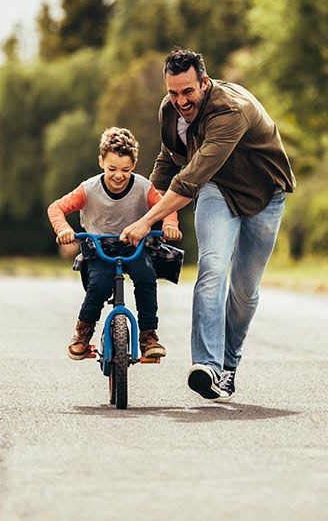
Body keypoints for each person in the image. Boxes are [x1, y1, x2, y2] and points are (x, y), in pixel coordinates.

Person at [120, 47, 296, 402]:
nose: (181, 100)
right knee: (212, 268)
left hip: (265, 194)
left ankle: (228, 367)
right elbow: (169, 159)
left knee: (245, 290)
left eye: (188, 91)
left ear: (205, 81)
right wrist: (142, 204)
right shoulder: (170, 110)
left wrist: (146, 221)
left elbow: (190, 179)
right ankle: (207, 366)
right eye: (173, 92)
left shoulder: (229, 110)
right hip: (218, 191)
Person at [48, 126, 182, 361]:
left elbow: (166, 206)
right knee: (99, 284)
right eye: (112, 168)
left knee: (146, 277)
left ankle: (149, 336)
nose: (118, 175)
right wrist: (64, 230)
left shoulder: (143, 187)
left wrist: (170, 225)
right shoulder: (89, 189)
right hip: (99, 248)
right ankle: (82, 333)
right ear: (101, 162)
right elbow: (56, 208)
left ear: (134, 164)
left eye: (125, 169)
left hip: (134, 245)